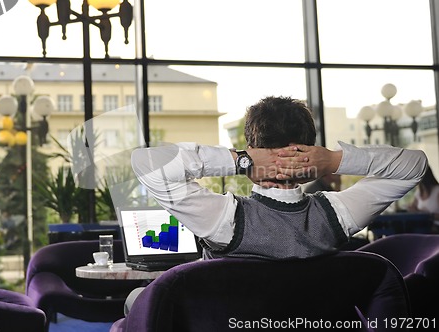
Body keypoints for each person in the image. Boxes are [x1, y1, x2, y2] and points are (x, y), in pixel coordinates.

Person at [124, 95, 427, 314]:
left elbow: (146, 164)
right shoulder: (338, 214)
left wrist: (241, 161)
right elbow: (414, 165)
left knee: (137, 299)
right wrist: (335, 160)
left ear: (253, 148)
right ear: (311, 147)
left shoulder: (225, 219)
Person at [408, 165, 439, 229]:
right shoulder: (418, 192)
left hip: (435, 227)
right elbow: (413, 208)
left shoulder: (437, 191)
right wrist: (412, 209)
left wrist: (428, 215)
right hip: (422, 226)